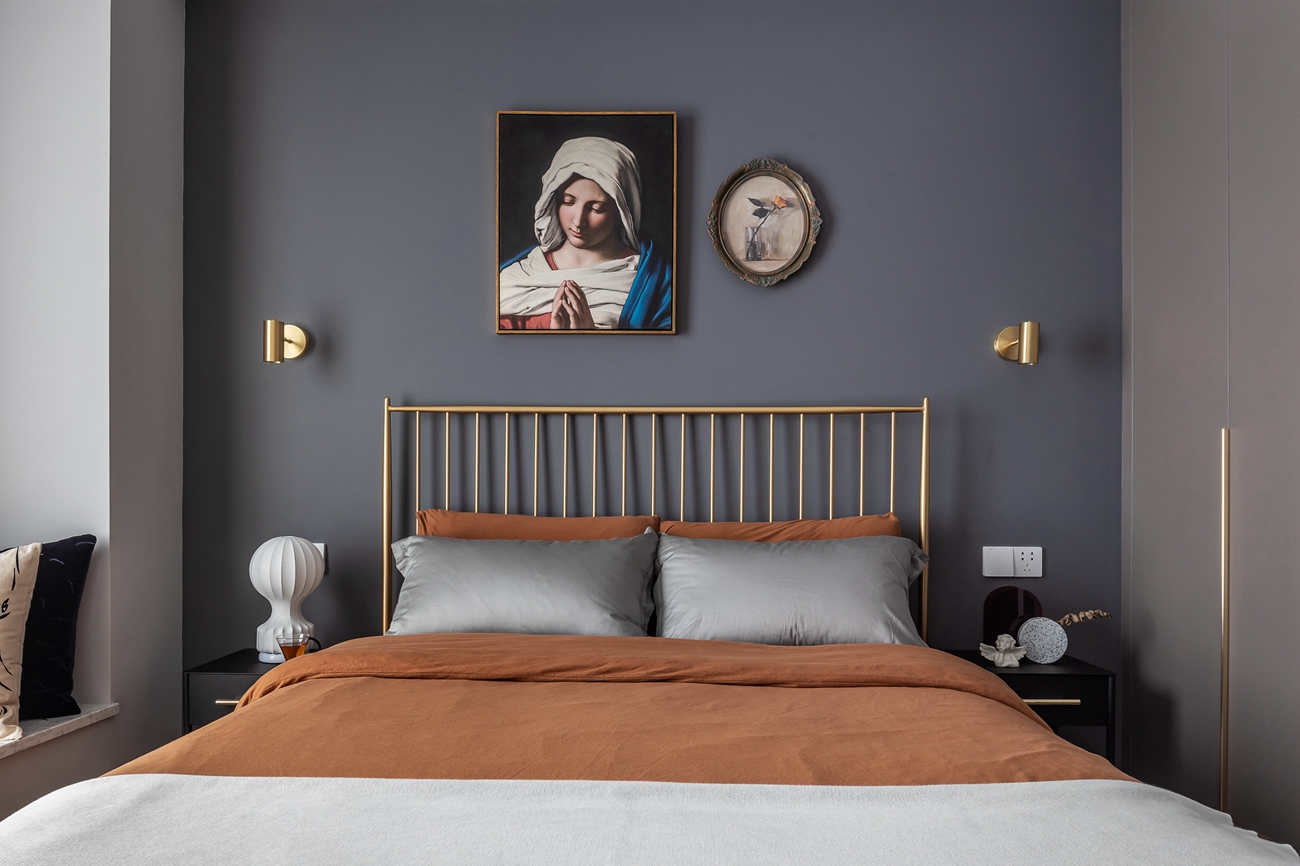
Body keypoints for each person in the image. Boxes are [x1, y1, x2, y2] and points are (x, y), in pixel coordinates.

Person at [499, 136, 672, 330]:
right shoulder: (520, 275)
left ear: (621, 211)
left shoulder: (650, 280)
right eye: (568, 202)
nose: (578, 221)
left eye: (596, 208)